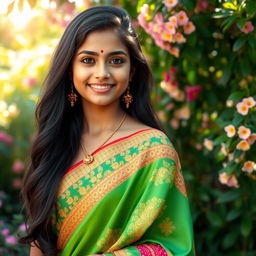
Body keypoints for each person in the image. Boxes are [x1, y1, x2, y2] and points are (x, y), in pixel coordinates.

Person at [20, 5, 195, 256]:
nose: (102, 73)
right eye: (88, 60)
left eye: (116, 61)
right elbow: (40, 239)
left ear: (132, 71)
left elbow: (173, 246)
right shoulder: (54, 142)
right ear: (70, 70)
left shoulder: (154, 150)